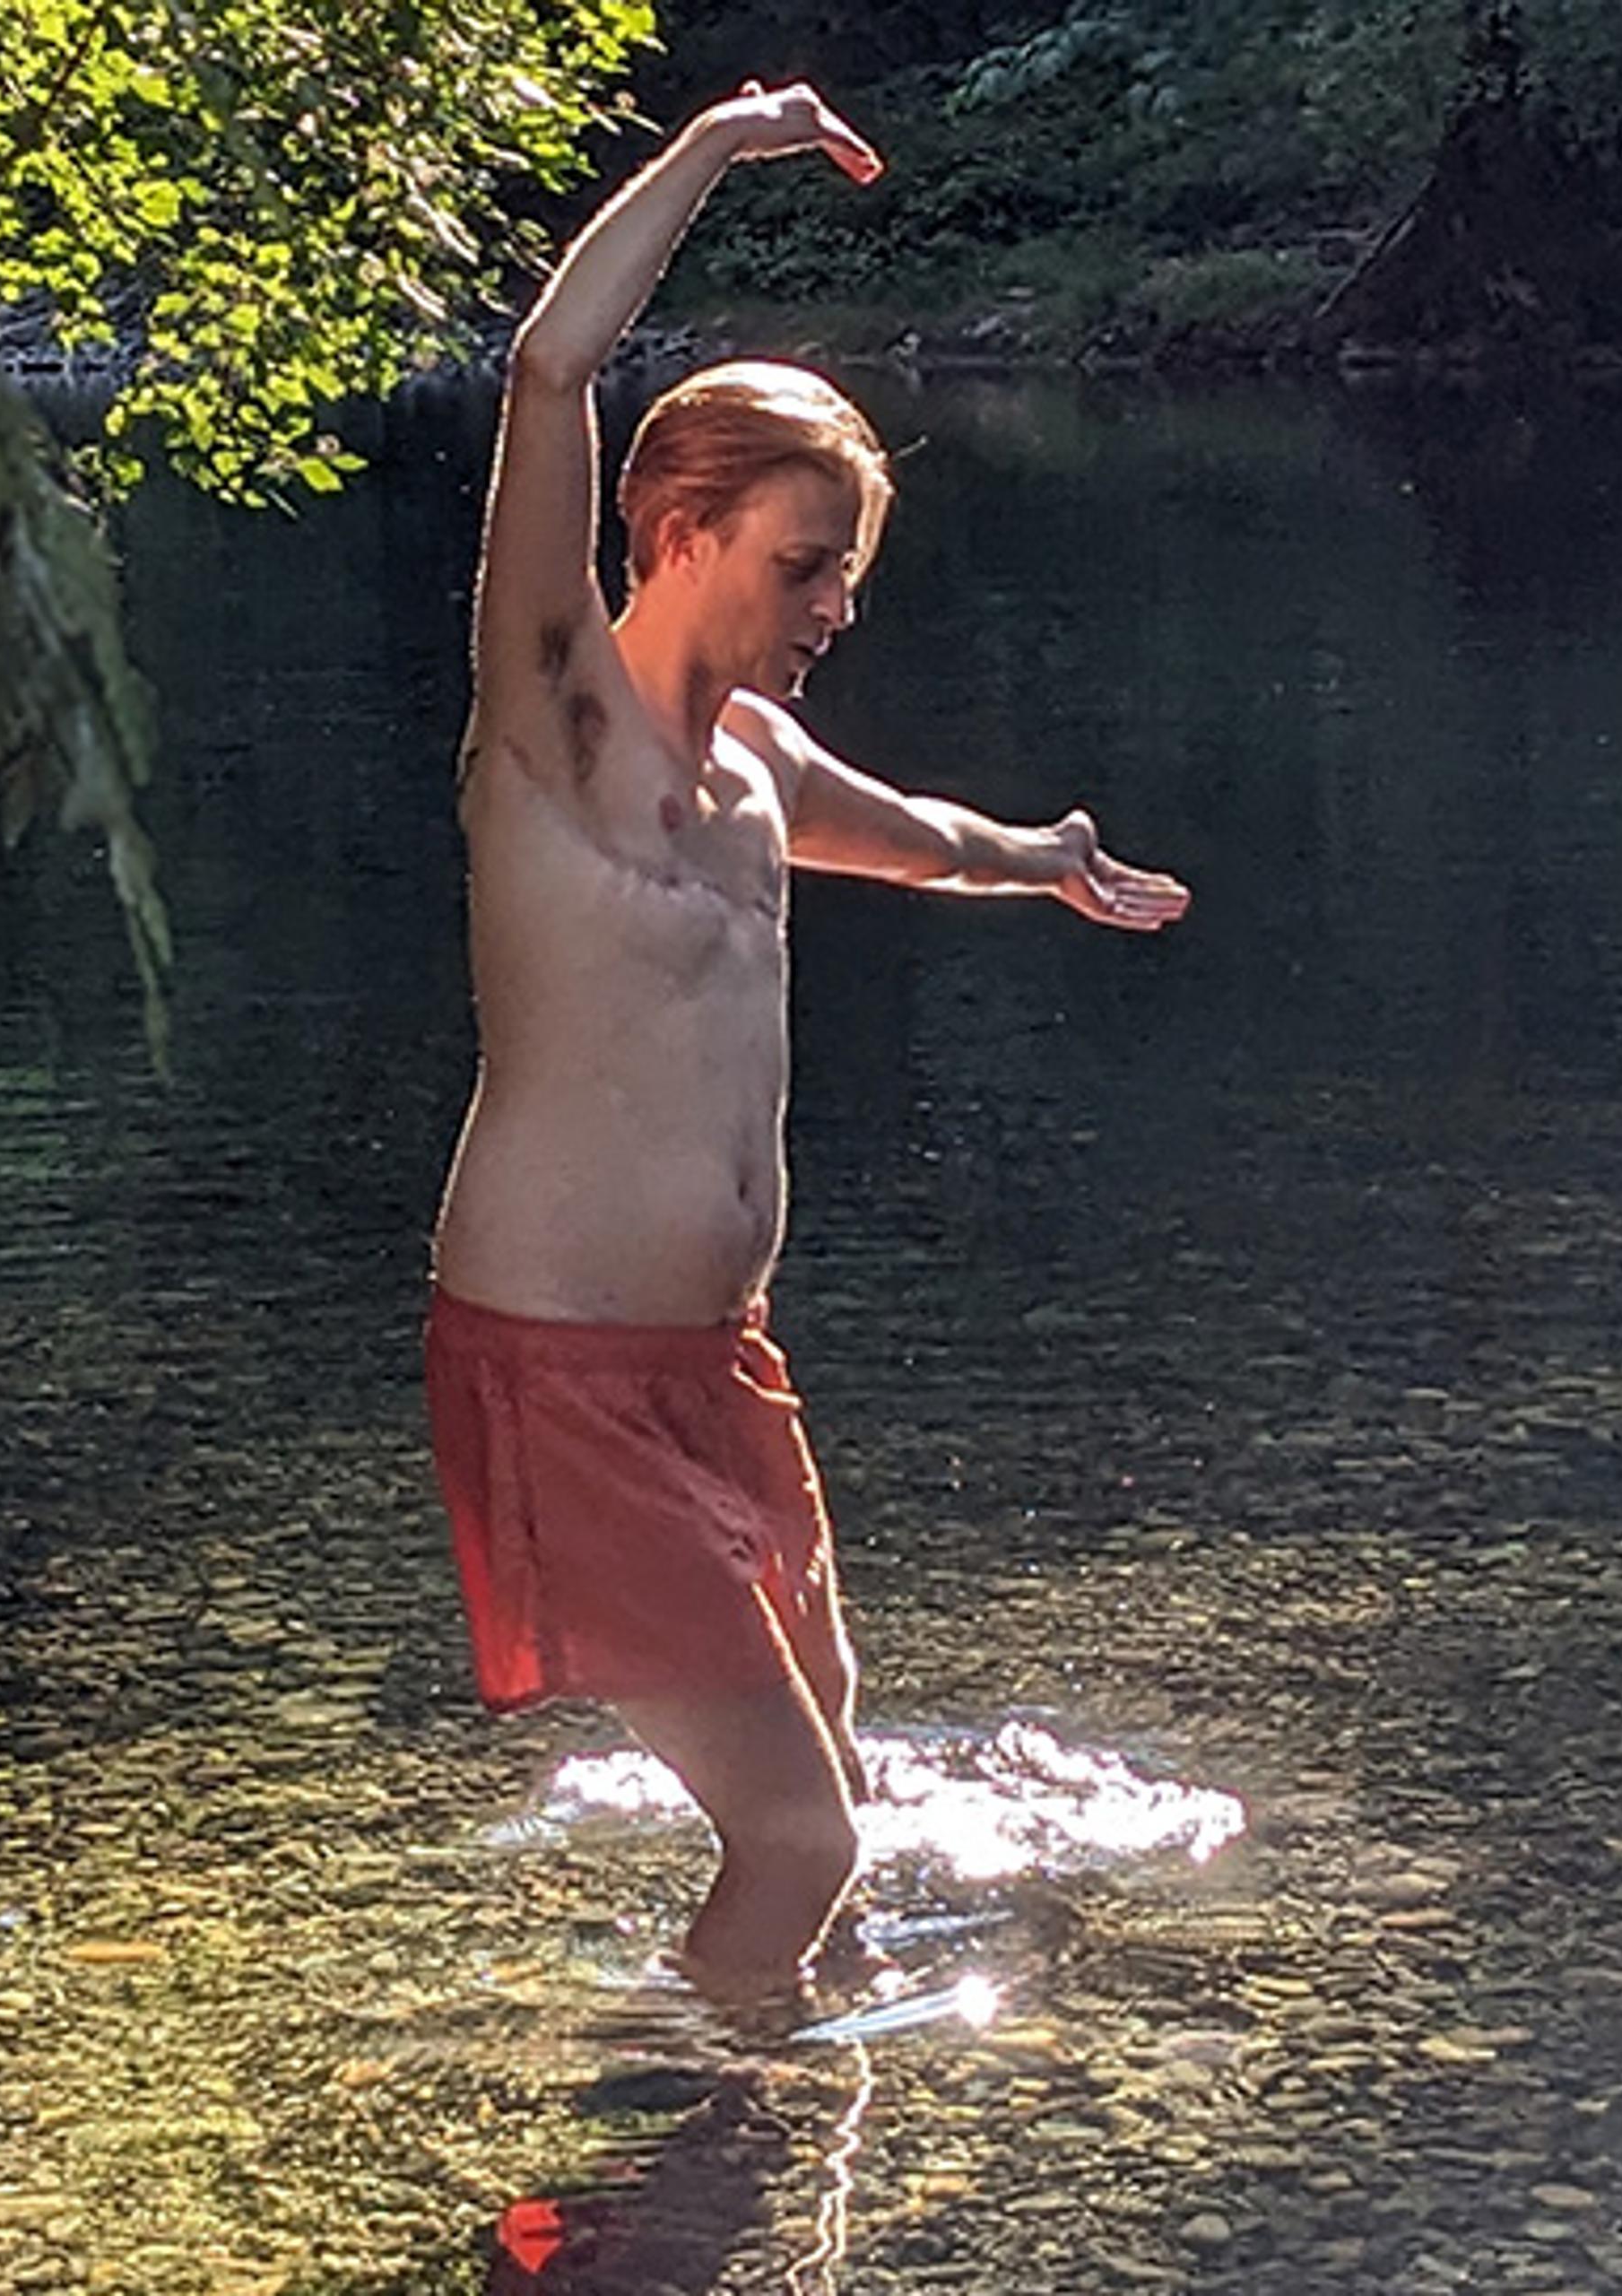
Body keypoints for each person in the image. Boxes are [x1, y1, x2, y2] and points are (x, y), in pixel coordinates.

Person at [424, 82, 1191, 2012]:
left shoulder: (750, 765)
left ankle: (761, 2087)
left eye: (848, 567)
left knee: (830, 1755)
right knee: (807, 1832)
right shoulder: (559, 732)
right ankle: (676, 2159)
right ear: (677, 530)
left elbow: (909, 831)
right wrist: (713, 151)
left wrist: (1043, 861)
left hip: (712, 1359)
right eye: (804, 562)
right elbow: (545, 365)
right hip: (566, 1359)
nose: (837, 604)